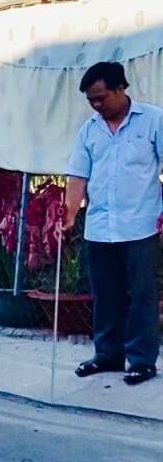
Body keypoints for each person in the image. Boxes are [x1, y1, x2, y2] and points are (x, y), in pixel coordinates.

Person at [65, 60, 163, 386]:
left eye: (101, 98)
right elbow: (77, 176)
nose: (96, 105)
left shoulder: (153, 120)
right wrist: (68, 214)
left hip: (140, 225)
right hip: (99, 227)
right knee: (105, 295)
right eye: (90, 100)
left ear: (120, 88)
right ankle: (107, 354)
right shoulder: (89, 130)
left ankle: (141, 360)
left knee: (141, 295)